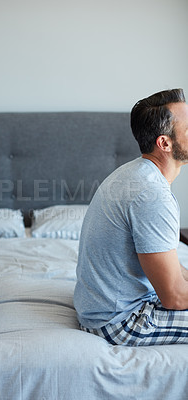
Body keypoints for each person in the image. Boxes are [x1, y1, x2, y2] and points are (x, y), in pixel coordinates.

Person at [74, 88, 188, 346]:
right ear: (165, 143)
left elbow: (171, 267)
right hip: (119, 321)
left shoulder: (136, 172)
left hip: (100, 309)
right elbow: (174, 297)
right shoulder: (151, 195)